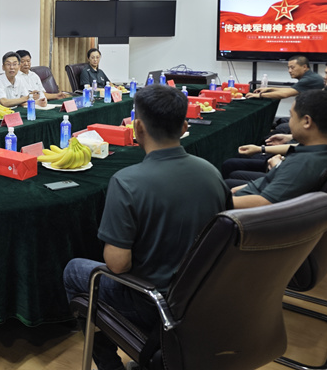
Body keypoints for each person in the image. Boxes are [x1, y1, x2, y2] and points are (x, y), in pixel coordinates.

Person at [63, 85, 229, 370]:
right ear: (185, 127)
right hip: (203, 299)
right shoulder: (212, 173)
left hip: (152, 303)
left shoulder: (127, 182)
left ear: (137, 128)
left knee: (74, 270)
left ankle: (110, 366)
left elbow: (117, 265)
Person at [230, 89, 327, 209]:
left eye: (292, 116)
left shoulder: (303, 163)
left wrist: (222, 202)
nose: (290, 122)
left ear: (307, 121)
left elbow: (265, 203)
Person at [246, 55, 323, 100]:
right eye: (288, 68)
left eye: (292, 67)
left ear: (304, 67)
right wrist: (269, 89)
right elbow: (291, 90)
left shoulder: (309, 79)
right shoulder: (310, 76)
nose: (289, 71)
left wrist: (259, 95)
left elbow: (285, 94)